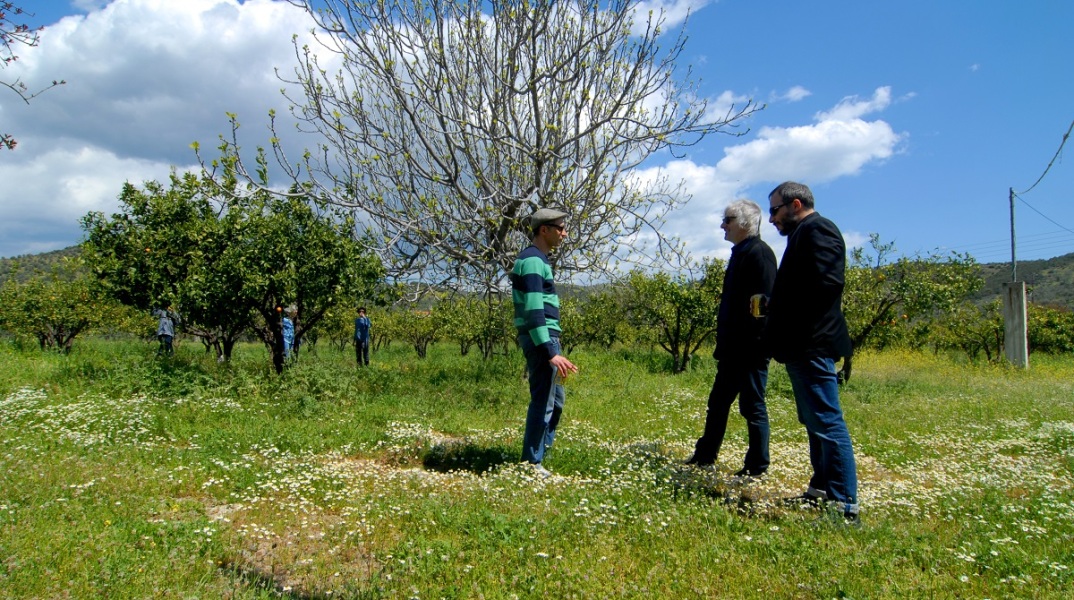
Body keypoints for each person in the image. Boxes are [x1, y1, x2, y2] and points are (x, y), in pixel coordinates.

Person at [763, 181, 859, 523]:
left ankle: (845, 507)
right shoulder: (803, 234)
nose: (772, 218)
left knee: (827, 421)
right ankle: (820, 491)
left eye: (774, 210)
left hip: (812, 342)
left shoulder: (819, 230)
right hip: (801, 343)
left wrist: (785, 309)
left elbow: (827, 284)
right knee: (814, 420)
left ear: (796, 204)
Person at [685, 200, 776, 478]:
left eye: (728, 219)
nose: (722, 225)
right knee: (718, 403)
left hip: (749, 349)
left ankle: (757, 467)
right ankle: (705, 456)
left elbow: (762, 302)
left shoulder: (759, 253)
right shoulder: (741, 252)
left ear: (746, 223)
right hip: (732, 349)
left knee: (752, 407)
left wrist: (755, 342)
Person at [511, 207, 579, 476]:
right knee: (544, 401)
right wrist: (550, 350)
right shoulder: (532, 261)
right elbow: (533, 309)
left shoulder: (539, 260)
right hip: (543, 340)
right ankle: (532, 464)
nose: (565, 233)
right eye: (560, 228)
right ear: (544, 230)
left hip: (547, 339)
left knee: (556, 400)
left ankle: (539, 456)